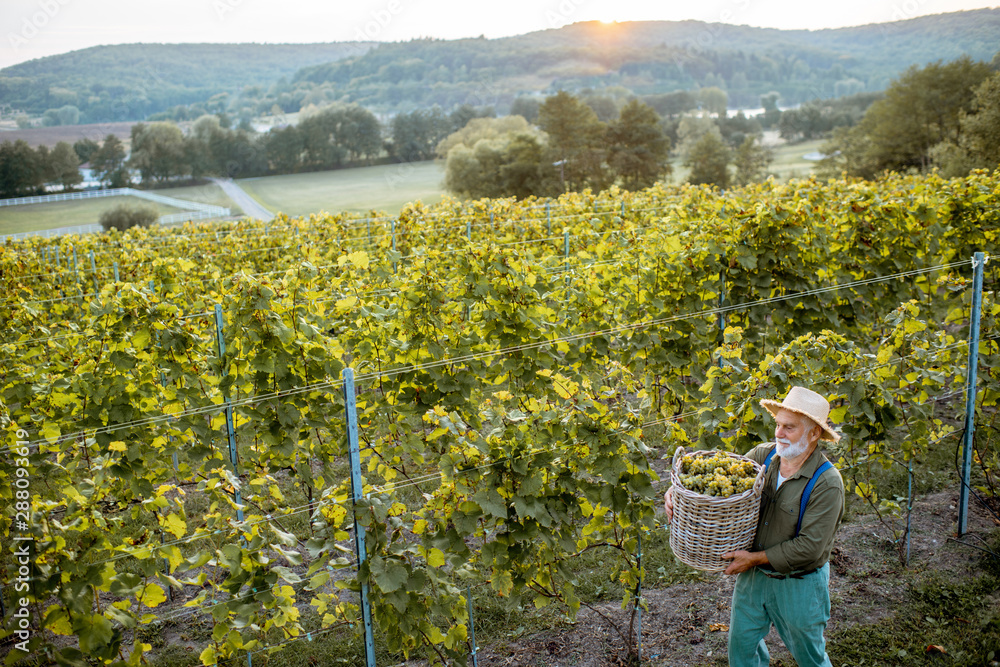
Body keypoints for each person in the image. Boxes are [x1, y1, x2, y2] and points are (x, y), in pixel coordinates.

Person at [663, 386, 845, 667]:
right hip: (755, 578)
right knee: (742, 652)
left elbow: (810, 548)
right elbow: (720, 488)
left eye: (789, 428)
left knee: (810, 657)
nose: (779, 434)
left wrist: (754, 559)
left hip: (798, 584)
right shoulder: (762, 457)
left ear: (814, 434)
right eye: (778, 425)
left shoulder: (827, 483)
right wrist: (677, 493)